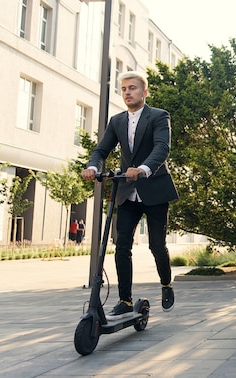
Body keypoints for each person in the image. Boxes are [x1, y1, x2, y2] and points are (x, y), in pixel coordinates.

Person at [81, 71, 179, 317]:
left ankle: (166, 284)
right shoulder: (117, 121)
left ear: (144, 92)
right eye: (124, 88)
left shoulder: (159, 116)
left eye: (132, 88)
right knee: (121, 245)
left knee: (157, 245)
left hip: (154, 188)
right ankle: (125, 300)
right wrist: (94, 167)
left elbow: (161, 147)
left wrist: (144, 169)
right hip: (126, 191)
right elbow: (101, 149)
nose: (127, 92)